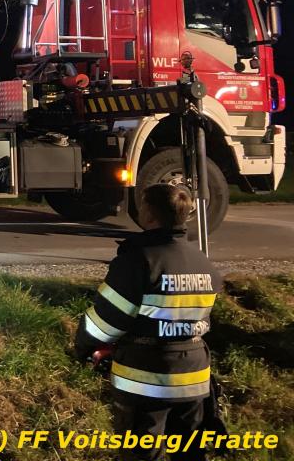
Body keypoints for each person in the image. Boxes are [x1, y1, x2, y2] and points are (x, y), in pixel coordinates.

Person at [74, 183, 220, 460]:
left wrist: (83, 346)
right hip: (194, 377)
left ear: (150, 214)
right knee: (189, 454)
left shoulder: (138, 260)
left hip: (146, 379)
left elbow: (106, 321)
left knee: (141, 454)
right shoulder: (203, 262)